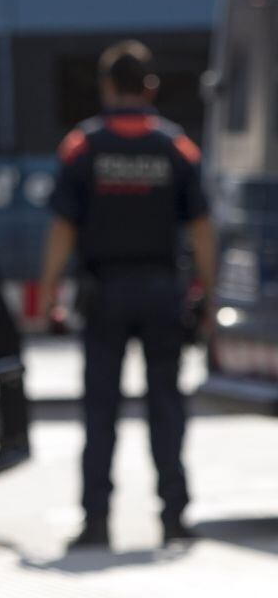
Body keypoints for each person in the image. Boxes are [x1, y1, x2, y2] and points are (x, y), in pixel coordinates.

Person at [38, 40, 216, 549]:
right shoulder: (175, 147)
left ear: (108, 88)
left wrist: (49, 293)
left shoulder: (83, 148)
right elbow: (202, 228)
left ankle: (96, 523)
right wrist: (208, 291)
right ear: (151, 87)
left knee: (100, 412)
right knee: (166, 407)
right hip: (164, 292)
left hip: (105, 294)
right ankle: (174, 519)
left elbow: (62, 230)